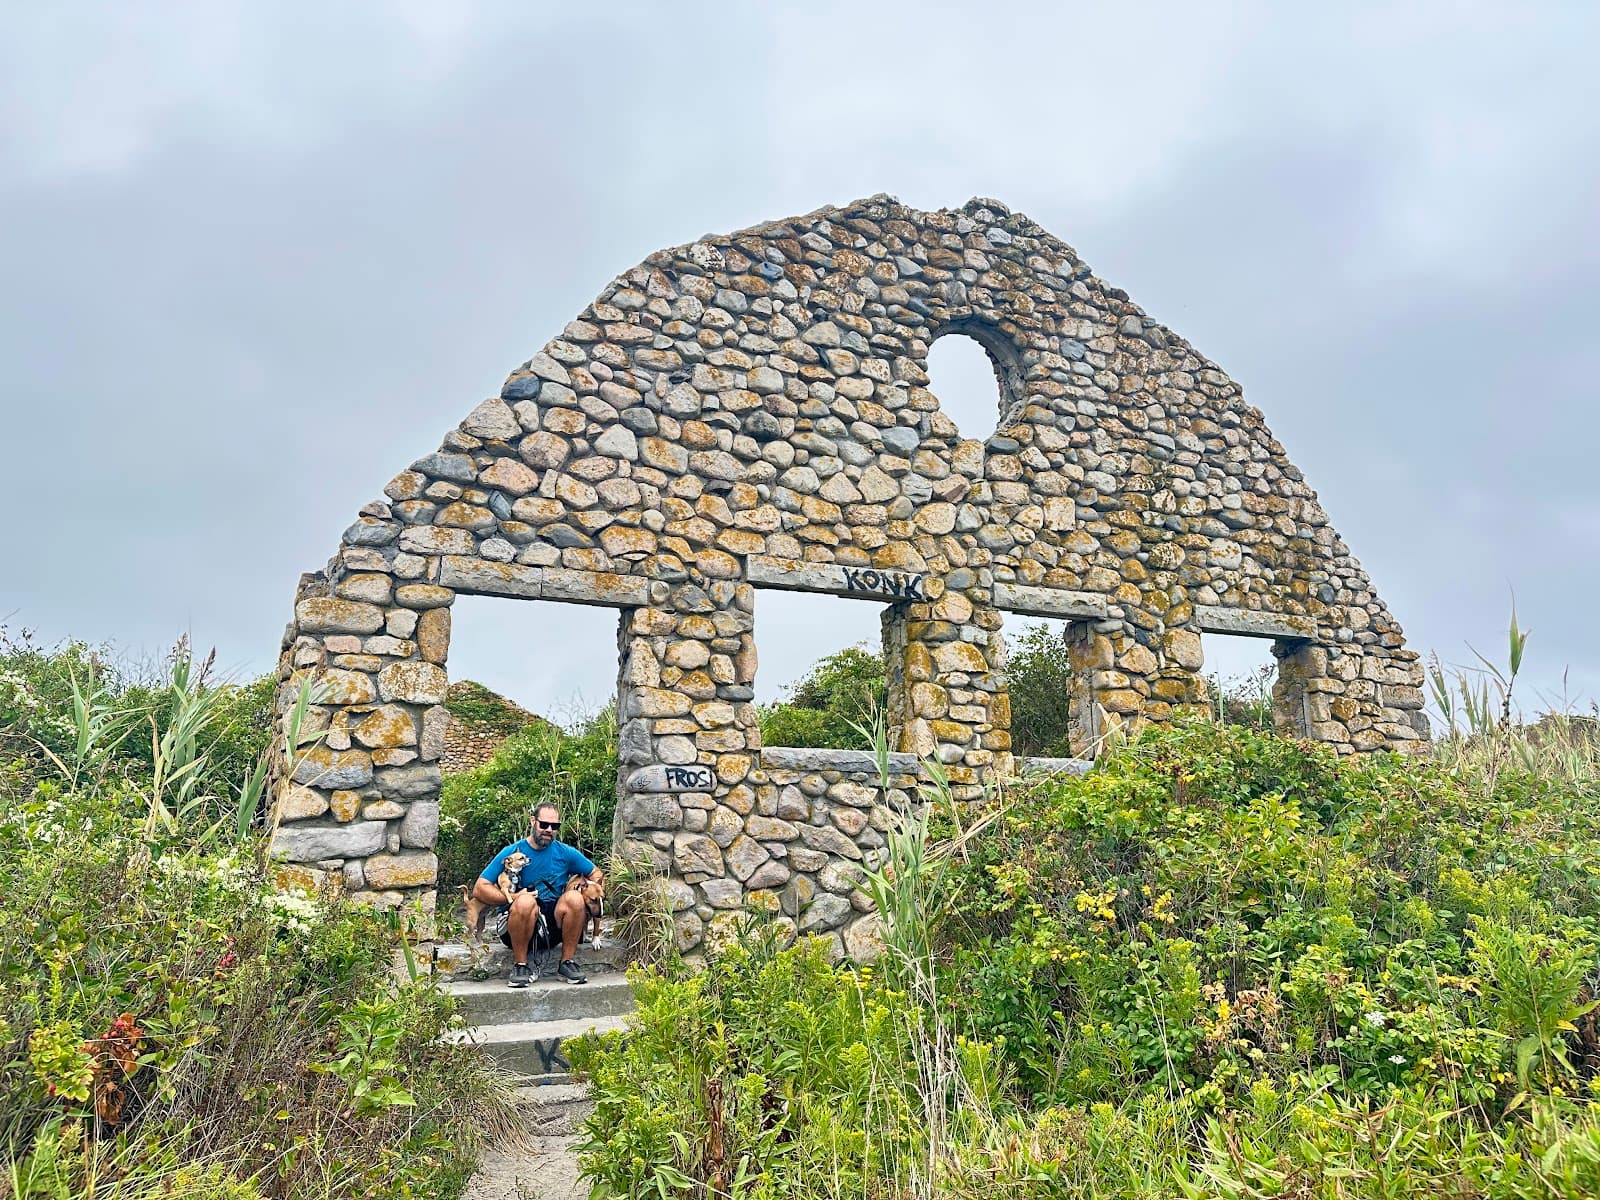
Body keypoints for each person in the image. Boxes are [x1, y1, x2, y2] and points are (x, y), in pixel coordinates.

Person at [473, 802, 603, 988]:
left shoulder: (566, 853)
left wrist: (580, 887)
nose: (549, 830)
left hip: (552, 923)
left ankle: (567, 963)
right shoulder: (512, 852)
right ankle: (521, 965)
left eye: (554, 826)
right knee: (526, 901)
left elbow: (596, 874)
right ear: (533, 822)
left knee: (574, 899)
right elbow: (480, 888)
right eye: (544, 825)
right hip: (516, 923)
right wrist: (512, 897)